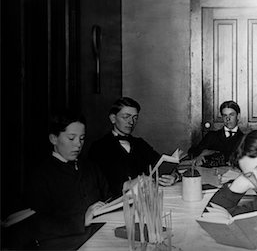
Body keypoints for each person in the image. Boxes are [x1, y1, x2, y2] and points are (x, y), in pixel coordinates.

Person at [26, 110, 110, 249]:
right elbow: (38, 224)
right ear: (53, 139)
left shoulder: (90, 167)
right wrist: (82, 220)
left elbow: (107, 196)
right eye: (71, 138)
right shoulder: (40, 175)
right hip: (65, 245)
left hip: (97, 236)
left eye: (82, 138)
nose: (78, 144)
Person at [89, 97, 178, 196]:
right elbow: (98, 185)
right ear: (113, 118)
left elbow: (159, 164)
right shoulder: (99, 147)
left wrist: (174, 176)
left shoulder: (140, 143)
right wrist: (131, 183)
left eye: (135, 118)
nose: (131, 122)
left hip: (145, 199)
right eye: (126, 117)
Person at [188, 100, 244, 167]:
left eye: (231, 115)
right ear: (222, 117)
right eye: (225, 115)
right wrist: (200, 155)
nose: (228, 119)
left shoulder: (244, 139)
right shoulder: (212, 136)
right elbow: (193, 152)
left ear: (238, 116)